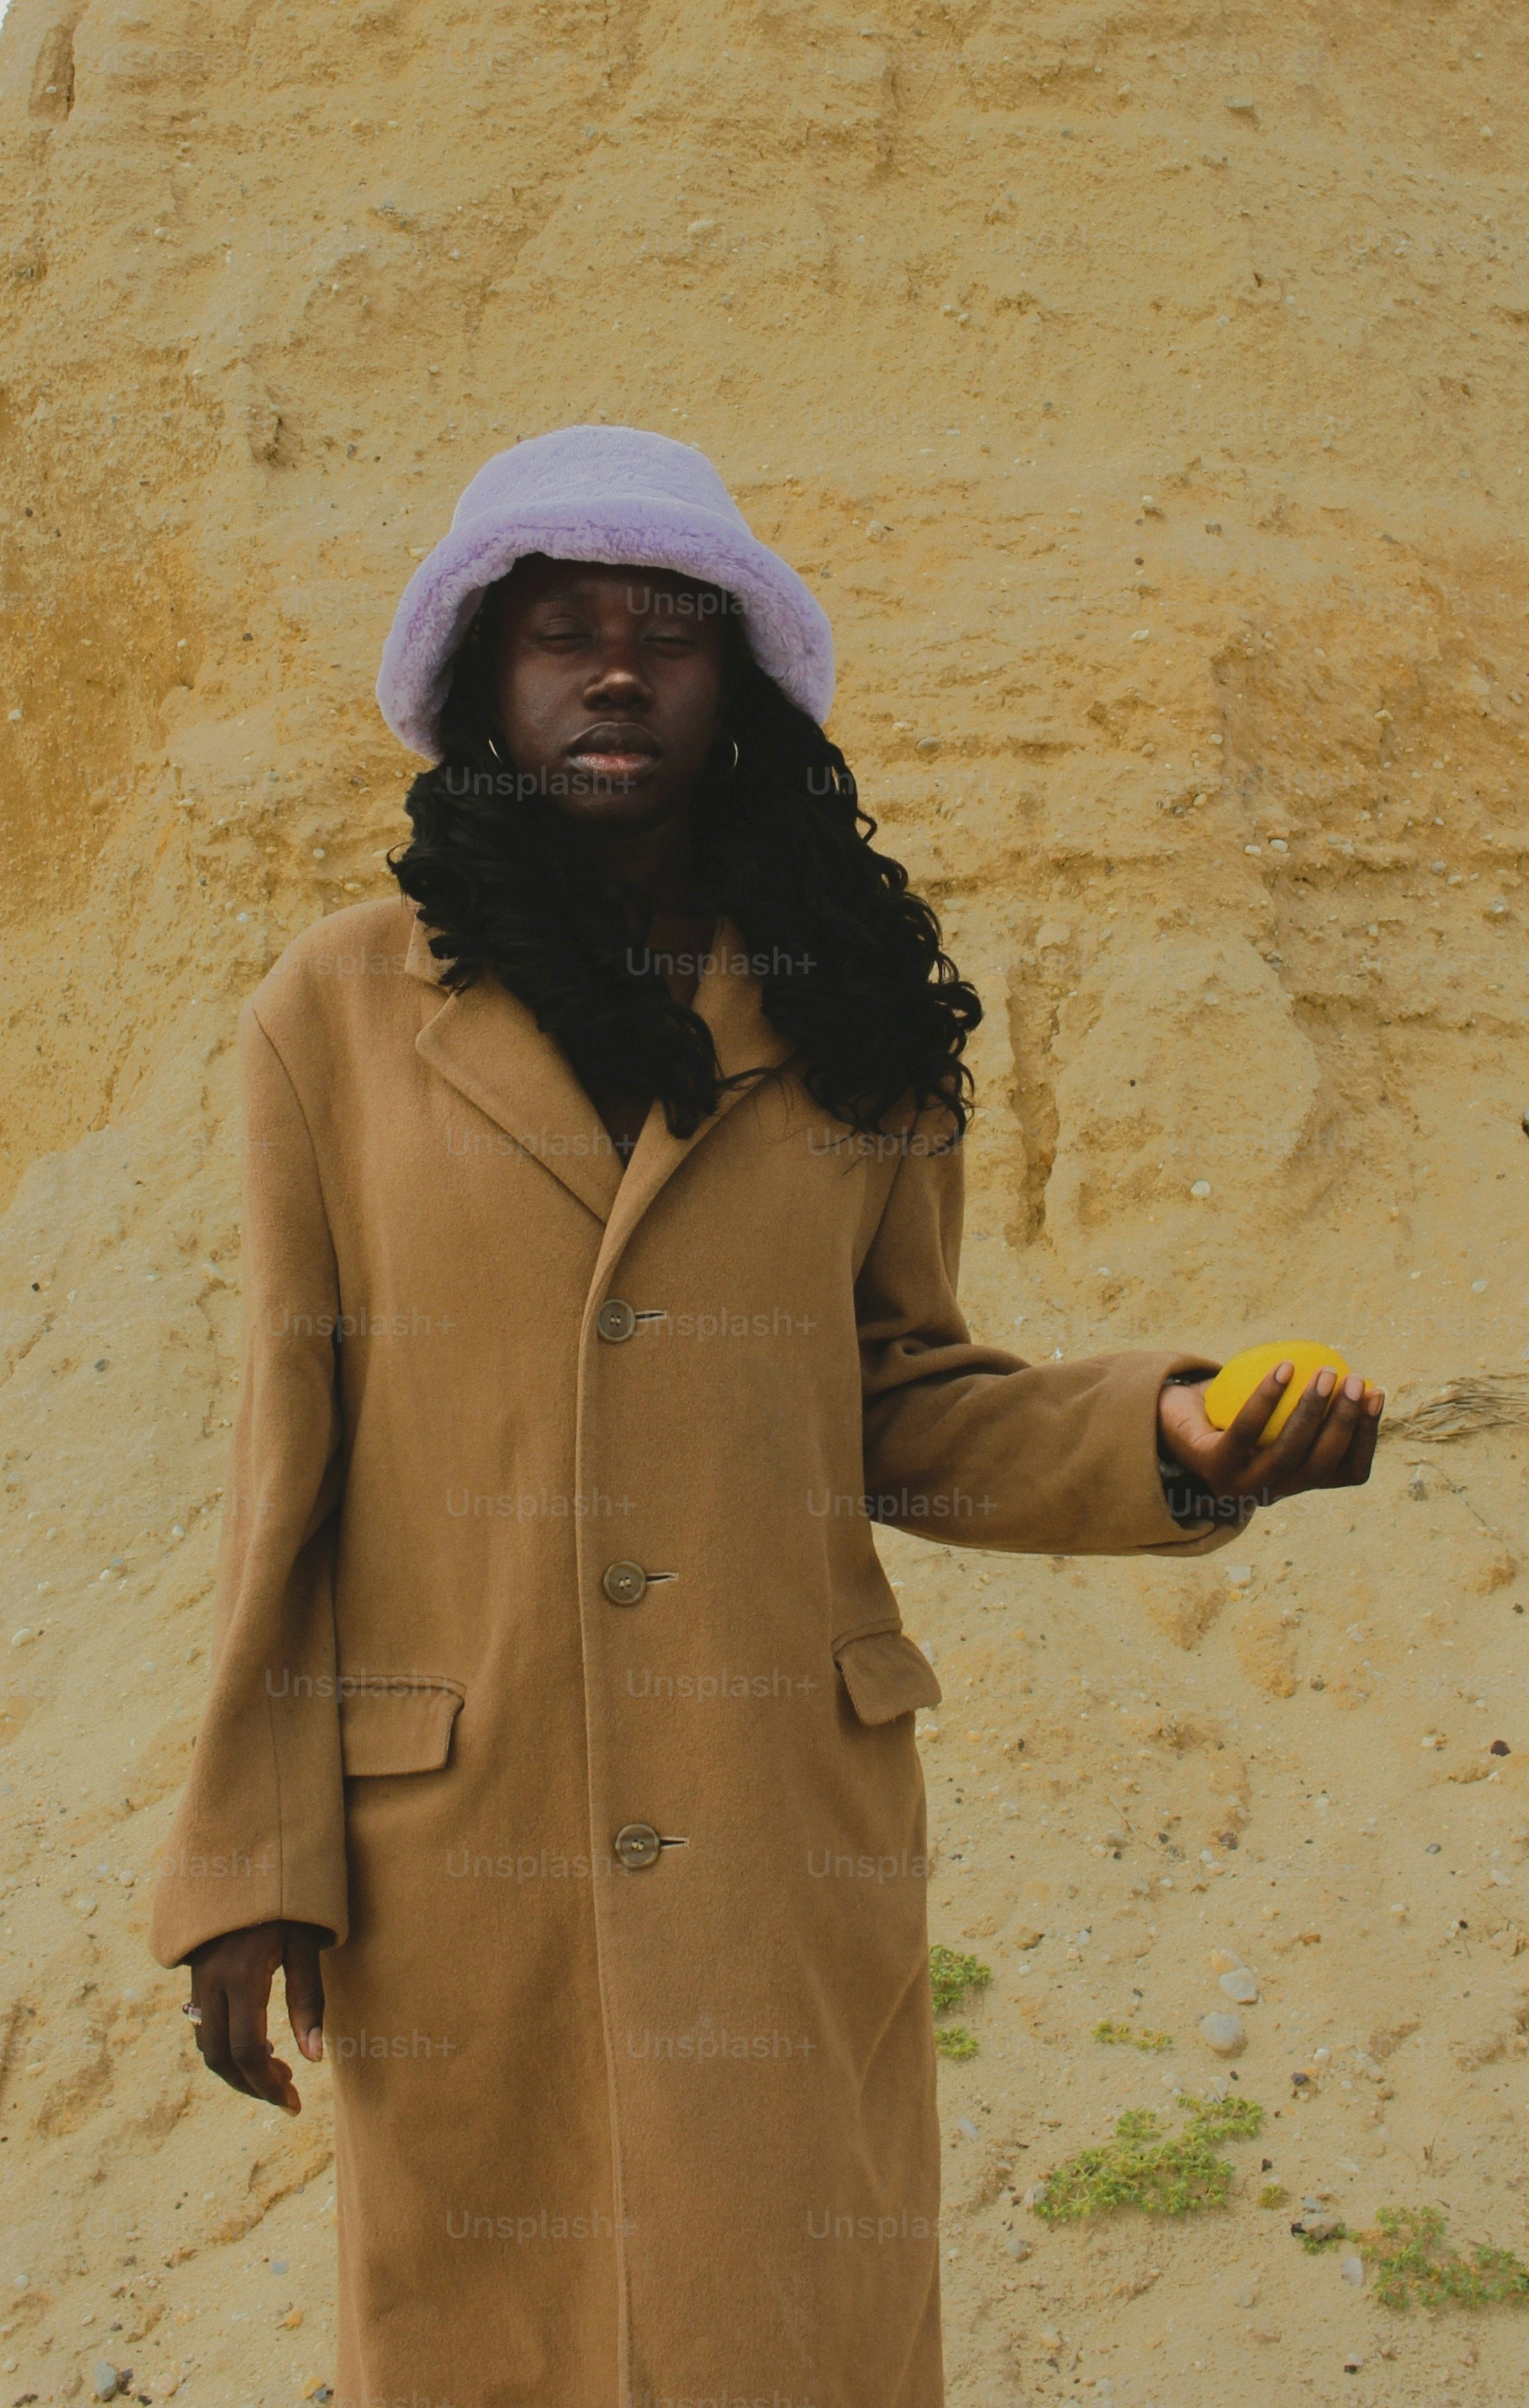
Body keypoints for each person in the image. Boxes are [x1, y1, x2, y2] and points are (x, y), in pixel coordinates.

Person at [144, 425, 1374, 2405]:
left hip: (776, 1828)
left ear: (740, 690)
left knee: (787, 2327)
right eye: (562, 633)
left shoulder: (852, 1008)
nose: (617, 673)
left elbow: (905, 1399)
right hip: (462, 1843)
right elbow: (288, 1458)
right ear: (484, 681)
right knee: (487, 2333)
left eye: (669, 633)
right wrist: (245, 1859)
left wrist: (1166, 1441)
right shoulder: (334, 1013)